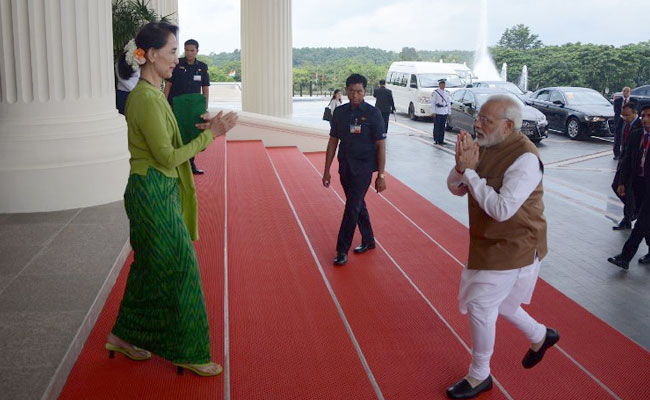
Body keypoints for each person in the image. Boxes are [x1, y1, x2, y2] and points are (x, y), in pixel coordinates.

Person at [106, 22, 238, 377]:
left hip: (156, 190)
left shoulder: (153, 94)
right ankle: (188, 351)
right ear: (149, 55)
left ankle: (122, 336)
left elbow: (168, 143)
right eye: (172, 52)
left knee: (149, 267)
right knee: (183, 269)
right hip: (152, 192)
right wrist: (212, 136)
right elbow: (166, 157)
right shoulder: (145, 98)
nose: (177, 60)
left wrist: (199, 127)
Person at [446, 95, 559, 399]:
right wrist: (461, 167)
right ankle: (540, 335)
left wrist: (470, 173)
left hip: (516, 243)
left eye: (487, 120)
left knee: (482, 304)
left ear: (508, 126)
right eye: (478, 117)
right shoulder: (482, 146)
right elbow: (454, 188)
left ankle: (479, 374)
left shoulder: (525, 159)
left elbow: (501, 209)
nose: (477, 124)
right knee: (505, 304)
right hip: (488, 240)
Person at [322, 73, 387, 266]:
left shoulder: (373, 114)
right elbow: (333, 142)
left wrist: (381, 175)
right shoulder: (340, 113)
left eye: (359, 91)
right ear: (346, 91)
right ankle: (368, 239)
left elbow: (381, 145)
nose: (355, 95)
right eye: (351, 91)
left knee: (351, 206)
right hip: (345, 166)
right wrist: (326, 170)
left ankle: (342, 249)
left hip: (364, 168)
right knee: (357, 203)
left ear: (365, 91)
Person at [608, 104, 650, 270]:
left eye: (649, 115)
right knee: (645, 221)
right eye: (644, 116)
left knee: (642, 222)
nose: (646, 119)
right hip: (639, 184)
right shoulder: (636, 135)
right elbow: (626, 161)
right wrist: (622, 183)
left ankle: (625, 257)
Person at [164, 39, 211, 175]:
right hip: (177, 106)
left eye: (192, 50)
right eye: (187, 50)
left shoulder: (202, 67)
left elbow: (205, 89)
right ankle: (175, 164)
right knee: (177, 134)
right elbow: (168, 85)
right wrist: (165, 105)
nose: (189, 53)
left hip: (194, 109)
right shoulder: (176, 64)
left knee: (192, 135)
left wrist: (205, 108)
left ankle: (191, 164)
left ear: (197, 51)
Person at [612, 101, 642, 230]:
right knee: (616, 186)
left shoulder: (641, 126)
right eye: (623, 115)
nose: (624, 118)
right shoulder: (626, 124)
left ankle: (629, 217)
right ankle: (632, 211)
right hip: (624, 163)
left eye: (627, 115)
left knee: (627, 190)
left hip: (634, 166)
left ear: (635, 113)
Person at [115, 41, 141, 115]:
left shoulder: (138, 61)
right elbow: (122, 78)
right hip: (123, 94)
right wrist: (134, 90)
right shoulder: (119, 62)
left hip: (136, 93)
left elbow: (140, 76)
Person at [613, 87, 632, 160]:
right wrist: (622, 116)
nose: (626, 92)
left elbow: (634, 110)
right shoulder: (618, 101)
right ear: (622, 92)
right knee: (617, 137)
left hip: (629, 121)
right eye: (624, 91)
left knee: (628, 137)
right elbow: (616, 111)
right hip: (619, 120)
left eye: (627, 91)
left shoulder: (634, 101)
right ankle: (616, 154)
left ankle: (626, 153)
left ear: (630, 92)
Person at [432, 78, 451, 145]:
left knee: (442, 126)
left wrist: (449, 112)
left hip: (444, 111)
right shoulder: (436, 92)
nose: (443, 85)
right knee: (437, 126)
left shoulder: (447, 92)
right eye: (441, 84)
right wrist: (433, 111)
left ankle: (441, 139)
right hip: (438, 111)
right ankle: (436, 139)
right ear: (439, 85)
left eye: (444, 84)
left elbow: (448, 103)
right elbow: (433, 102)